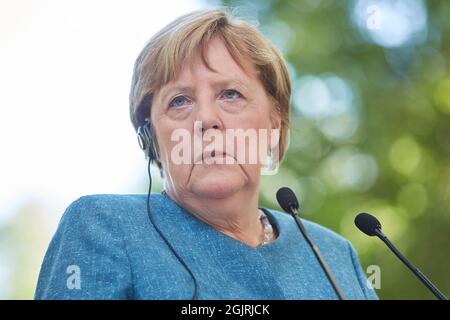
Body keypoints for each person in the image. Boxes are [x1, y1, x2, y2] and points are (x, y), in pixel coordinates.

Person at [35, 8, 378, 300]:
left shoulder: (336, 256)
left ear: (275, 122)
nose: (206, 120)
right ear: (151, 138)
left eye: (230, 94)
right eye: (179, 101)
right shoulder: (103, 226)